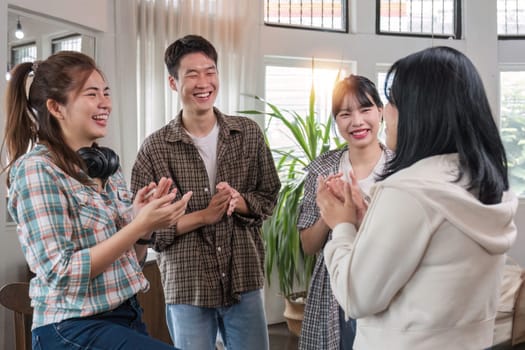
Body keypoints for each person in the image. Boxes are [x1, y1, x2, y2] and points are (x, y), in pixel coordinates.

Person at [318, 46, 518, 350]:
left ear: (421, 112)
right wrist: (366, 222)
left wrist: (342, 226)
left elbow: (356, 297)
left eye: (393, 102)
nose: (386, 112)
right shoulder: (489, 185)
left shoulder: (408, 191)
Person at [1, 51, 192, 349]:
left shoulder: (106, 168)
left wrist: (142, 229)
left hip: (126, 315)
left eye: (106, 92)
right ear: (56, 107)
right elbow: (61, 274)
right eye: (92, 94)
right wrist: (137, 224)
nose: (105, 102)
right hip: (72, 327)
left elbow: (134, 260)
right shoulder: (37, 170)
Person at [130, 34, 281, 350]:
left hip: (244, 277)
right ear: (174, 84)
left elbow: (269, 195)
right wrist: (203, 216)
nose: (204, 82)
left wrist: (240, 203)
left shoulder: (248, 134)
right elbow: (145, 232)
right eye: (192, 74)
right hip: (188, 284)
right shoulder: (155, 149)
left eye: (210, 71)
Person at [298, 75, 391, 350]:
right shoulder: (323, 168)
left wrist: (356, 214)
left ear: (381, 112)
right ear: (335, 120)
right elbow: (308, 245)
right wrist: (331, 215)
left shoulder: (400, 169)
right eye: (345, 113)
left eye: (365, 109)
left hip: (385, 283)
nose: (357, 121)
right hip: (333, 288)